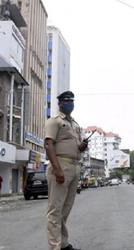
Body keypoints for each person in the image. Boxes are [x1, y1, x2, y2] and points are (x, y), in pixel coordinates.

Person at [44, 91, 88, 250]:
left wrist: (81, 147)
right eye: (67, 100)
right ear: (60, 103)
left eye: (72, 100)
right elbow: (49, 145)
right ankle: (55, 247)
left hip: (74, 167)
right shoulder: (54, 121)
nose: (70, 103)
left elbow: (73, 147)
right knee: (55, 211)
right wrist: (57, 170)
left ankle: (63, 244)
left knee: (65, 210)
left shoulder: (75, 124)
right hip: (61, 167)